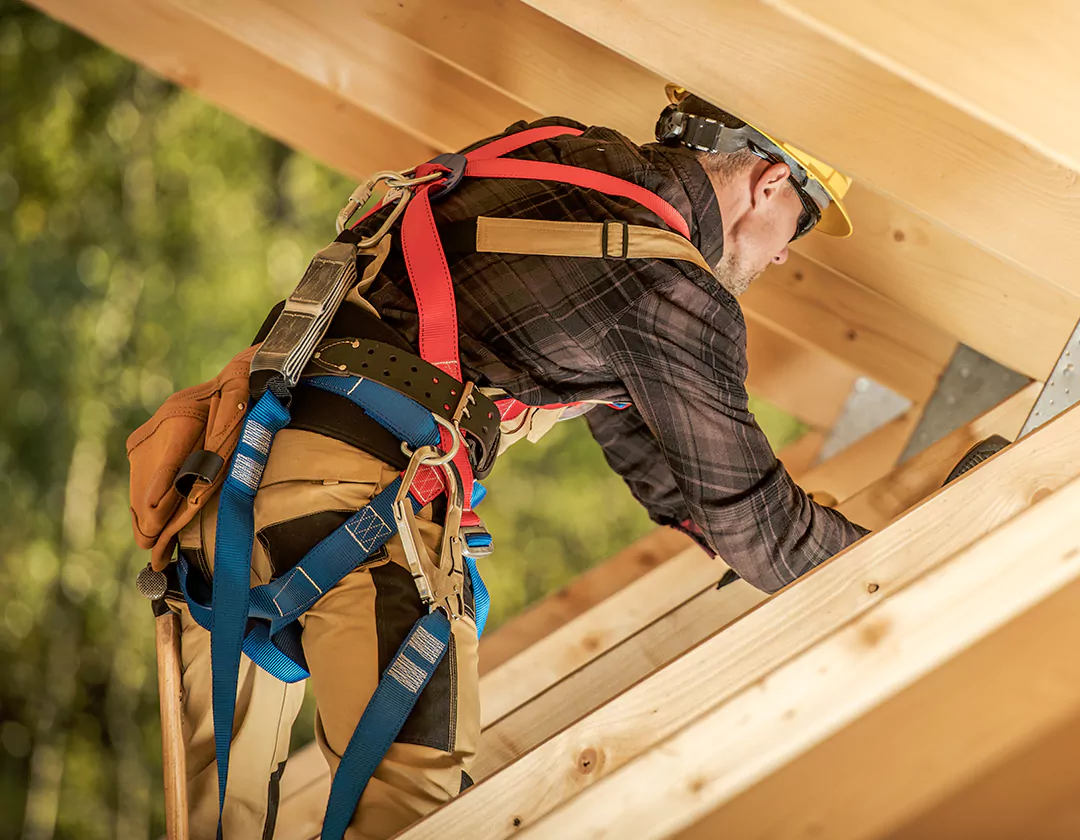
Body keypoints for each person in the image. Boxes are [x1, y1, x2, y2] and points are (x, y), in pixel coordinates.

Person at [140, 85, 872, 839]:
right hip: (354, 514)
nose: (785, 251)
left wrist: (702, 525)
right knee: (412, 820)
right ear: (770, 182)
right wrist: (875, 564)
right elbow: (766, 531)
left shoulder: (546, 152)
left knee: (214, 826)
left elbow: (630, 426)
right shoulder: (671, 290)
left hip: (223, 489)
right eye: (800, 226)